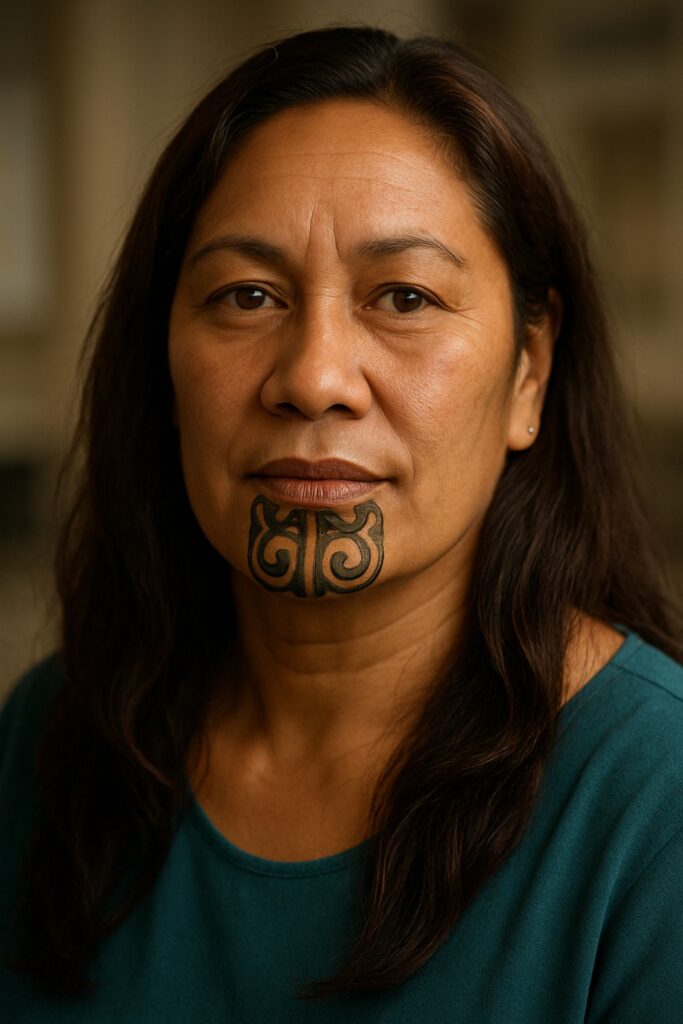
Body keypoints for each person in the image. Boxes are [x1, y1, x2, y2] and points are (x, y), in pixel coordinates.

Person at [1, 24, 682, 1023]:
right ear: (163, 362)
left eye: (403, 296)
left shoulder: (651, 803)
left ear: (526, 372)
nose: (313, 376)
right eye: (246, 296)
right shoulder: (49, 743)